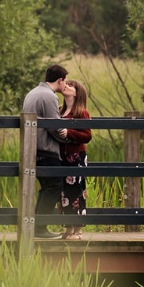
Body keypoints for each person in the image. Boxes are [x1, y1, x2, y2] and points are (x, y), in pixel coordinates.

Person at [21, 64, 70, 238]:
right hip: (46, 149)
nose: (65, 86)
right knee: (54, 187)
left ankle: (35, 227)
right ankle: (39, 229)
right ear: (59, 80)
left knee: (47, 187)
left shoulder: (32, 93)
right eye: (65, 82)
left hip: (32, 148)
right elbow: (53, 126)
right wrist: (68, 137)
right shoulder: (49, 96)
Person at [58, 80, 92, 240]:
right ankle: (68, 227)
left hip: (76, 156)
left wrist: (69, 132)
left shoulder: (82, 112)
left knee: (77, 191)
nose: (66, 86)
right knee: (63, 192)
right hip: (61, 157)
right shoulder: (60, 111)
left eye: (71, 86)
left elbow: (87, 136)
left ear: (77, 93)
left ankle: (78, 229)